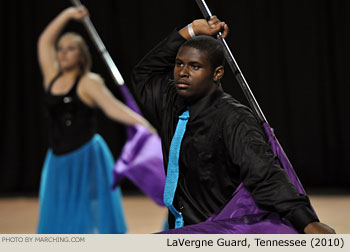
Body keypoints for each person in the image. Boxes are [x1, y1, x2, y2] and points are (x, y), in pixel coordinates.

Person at [130, 16, 335, 234]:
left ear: (217, 73)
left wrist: (307, 222)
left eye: (195, 66)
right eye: (179, 64)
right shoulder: (171, 102)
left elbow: (264, 173)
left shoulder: (234, 118)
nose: (182, 72)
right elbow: (144, 74)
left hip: (222, 231)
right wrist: (190, 31)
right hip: (183, 230)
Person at [37, 6, 154, 234]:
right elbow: (44, 42)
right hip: (57, 159)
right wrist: (68, 15)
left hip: (85, 156)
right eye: (60, 49)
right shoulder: (52, 77)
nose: (62, 53)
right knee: (59, 211)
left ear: (81, 54)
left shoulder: (89, 82)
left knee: (87, 209)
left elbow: (113, 108)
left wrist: (143, 124)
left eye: (70, 49)